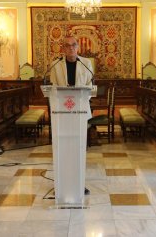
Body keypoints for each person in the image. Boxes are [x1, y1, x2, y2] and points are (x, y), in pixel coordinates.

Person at [49, 36, 93, 195]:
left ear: (78, 47)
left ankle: (79, 183)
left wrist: (79, 98)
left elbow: (89, 87)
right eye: (67, 46)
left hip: (79, 111)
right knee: (63, 148)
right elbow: (53, 88)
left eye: (73, 45)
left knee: (79, 148)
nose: (70, 48)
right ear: (63, 48)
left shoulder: (86, 64)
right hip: (62, 113)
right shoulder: (55, 65)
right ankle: (62, 185)